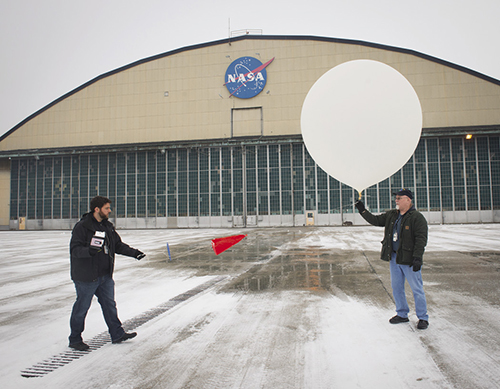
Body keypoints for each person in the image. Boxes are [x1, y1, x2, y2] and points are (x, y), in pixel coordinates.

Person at [68, 196, 146, 351]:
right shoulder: (82, 227)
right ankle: (75, 339)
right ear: (97, 209)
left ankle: (117, 333)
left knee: (110, 305)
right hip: (86, 277)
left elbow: (117, 245)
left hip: (104, 275)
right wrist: (88, 251)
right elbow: (74, 249)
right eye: (107, 208)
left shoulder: (107, 226)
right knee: (81, 308)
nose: (110, 210)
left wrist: (135, 253)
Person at [355, 189, 429, 330]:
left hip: (409, 259)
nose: (396, 200)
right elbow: (376, 220)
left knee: (417, 289)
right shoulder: (392, 215)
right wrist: (363, 210)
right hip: (394, 257)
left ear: (408, 200)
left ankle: (423, 317)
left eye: (399, 198)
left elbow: (421, 239)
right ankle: (402, 314)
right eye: (396, 198)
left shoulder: (416, 217)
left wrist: (417, 258)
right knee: (396, 288)